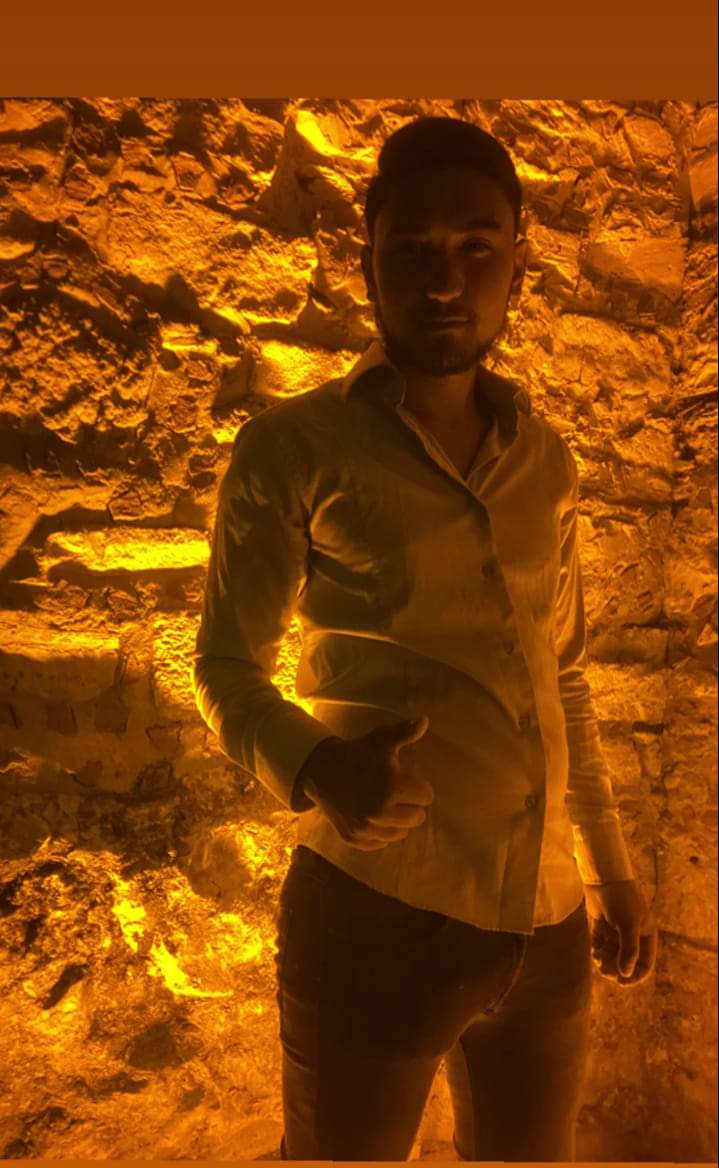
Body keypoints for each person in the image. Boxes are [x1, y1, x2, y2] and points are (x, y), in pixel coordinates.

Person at [192, 115, 658, 1162]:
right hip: (376, 911)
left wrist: (612, 870)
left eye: (475, 248)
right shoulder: (292, 447)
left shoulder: (547, 462)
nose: (443, 280)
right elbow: (223, 666)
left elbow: (562, 675)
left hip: (545, 919)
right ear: (367, 261)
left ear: (517, 264)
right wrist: (318, 766)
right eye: (411, 249)